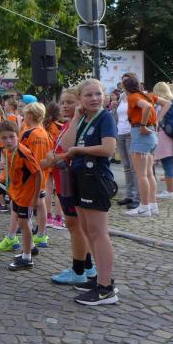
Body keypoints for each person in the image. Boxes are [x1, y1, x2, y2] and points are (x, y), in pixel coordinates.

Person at [59, 78, 119, 305]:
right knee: (87, 230)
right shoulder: (84, 118)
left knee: (99, 233)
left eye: (98, 94)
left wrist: (79, 150)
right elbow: (66, 145)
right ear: (80, 99)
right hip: (81, 178)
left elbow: (109, 149)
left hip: (96, 179)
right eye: (88, 95)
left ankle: (106, 289)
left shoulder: (105, 117)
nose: (94, 98)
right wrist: (76, 117)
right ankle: (101, 279)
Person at [40, 88, 95, 286]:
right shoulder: (67, 124)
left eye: (69, 102)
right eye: (62, 102)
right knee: (76, 225)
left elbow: (71, 149)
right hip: (64, 179)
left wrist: (54, 158)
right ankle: (87, 266)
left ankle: (78, 270)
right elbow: (61, 146)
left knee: (75, 225)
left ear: (79, 103)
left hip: (70, 180)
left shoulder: (78, 123)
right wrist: (52, 156)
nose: (64, 106)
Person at [0, 120, 42, 269]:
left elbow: (38, 173)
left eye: (11, 136)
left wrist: (35, 197)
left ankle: (27, 258)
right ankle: (32, 248)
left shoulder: (23, 153)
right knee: (18, 219)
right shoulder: (6, 152)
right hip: (16, 193)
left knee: (23, 224)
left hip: (26, 195)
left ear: (17, 136)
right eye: (4, 138)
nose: (8, 141)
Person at [123, 76, 169, 217]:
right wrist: (156, 120)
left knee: (141, 174)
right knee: (149, 173)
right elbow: (167, 103)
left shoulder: (133, 97)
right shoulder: (149, 95)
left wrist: (143, 125)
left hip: (141, 133)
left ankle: (144, 207)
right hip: (151, 135)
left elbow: (147, 107)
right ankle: (152, 206)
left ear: (125, 88)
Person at [19, 102, 53, 248]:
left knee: (24, 206)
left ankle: (25, 236)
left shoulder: (27, 134)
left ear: (30, 116)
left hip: (29, 177)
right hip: (42, 176)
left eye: (25, 115)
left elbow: (19, 154)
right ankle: (41, 235)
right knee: (41, 204)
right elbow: (50, 157)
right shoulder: (47, 134)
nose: (23, 118)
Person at [116, 72, 141, 209]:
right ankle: (129, 195)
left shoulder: (137, 96)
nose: (124, 84)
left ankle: (137, 197)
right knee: (126, 166)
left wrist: (138, 128)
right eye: (123, 81)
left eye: (126, 81)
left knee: (134, 167)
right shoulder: (122, 96)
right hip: (120, 132)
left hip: (131, 133)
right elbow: (119, 115)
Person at [43, 101, 65, 229]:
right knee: (59, 191)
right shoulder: (60, 126)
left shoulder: (44, 126)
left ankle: (48, 217)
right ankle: (58, 219)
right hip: (57, 159)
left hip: (46, 159)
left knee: (48, 190)